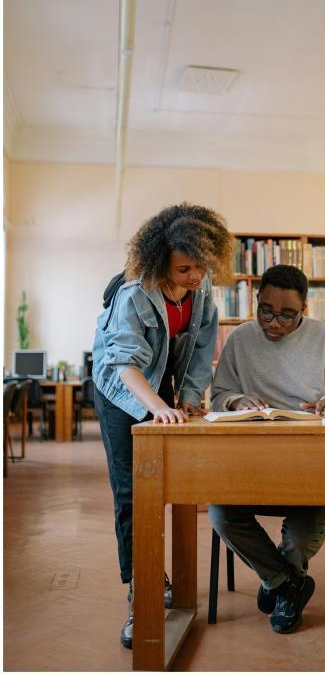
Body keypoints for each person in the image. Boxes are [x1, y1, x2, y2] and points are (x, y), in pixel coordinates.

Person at [92, 203, 232, 649]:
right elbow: (124, 363)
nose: (195, 276)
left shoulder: (202, 286)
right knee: (132, 490)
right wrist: (157, 407)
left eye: (202, 266)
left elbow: (203, 344)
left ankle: (167, 575)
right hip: (121, 388)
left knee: (172, 483)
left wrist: (188, 400)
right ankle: (142, 593)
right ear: (159, 261)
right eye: (184, 268)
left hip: (161, 384)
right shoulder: (134, 293)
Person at [209, 264, 325, 635]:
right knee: (220, 514)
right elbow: (218, 397)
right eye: (265, 310)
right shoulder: (239, 339)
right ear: (256, 301)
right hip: (253, 464)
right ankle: (287, 584)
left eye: (287, 315)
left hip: (317, 466)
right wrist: (236, 401)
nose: (274, 323)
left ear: (305, 310)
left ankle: (277, 580)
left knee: (299, 538)